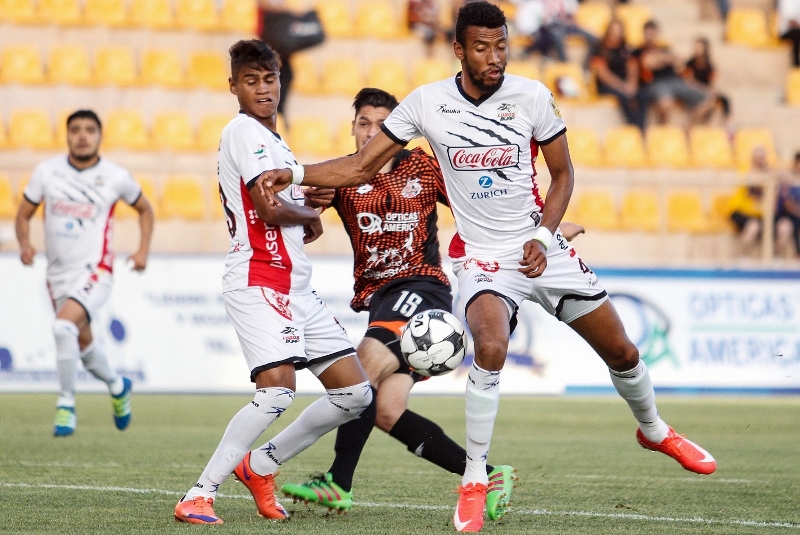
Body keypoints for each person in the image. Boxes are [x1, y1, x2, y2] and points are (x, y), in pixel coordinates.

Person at [256, 3, 718, 533]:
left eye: (501, 45)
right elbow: (359, 165)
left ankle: (654, 430)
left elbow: (564, 174)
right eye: (482, 47)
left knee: (623, 350)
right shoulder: (428, 104)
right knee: (492, 346)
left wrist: (546, 235)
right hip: (483, 260)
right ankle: (475, 477)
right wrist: (290, 170)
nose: (494, 57)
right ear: (458, 49)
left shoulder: (533, 97)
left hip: (540, 248)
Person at [276, 87, 586, 518]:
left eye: (379, 124)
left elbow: (483, 204)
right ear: (352, 128)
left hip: (422, 289)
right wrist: (311, 210)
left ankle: (337, 481)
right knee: (385, 411)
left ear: (395, 130)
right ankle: (488, 474)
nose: (370, 132)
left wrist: (544, 230)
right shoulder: (344, 179)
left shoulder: (423, 166)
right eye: (363, 123)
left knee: (358, 378)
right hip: (380, 298)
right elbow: (309, 228)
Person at [172, 39, 373, 526]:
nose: (263, 89)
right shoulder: (245, 132)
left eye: (269, 79)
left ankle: (260, 466)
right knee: (277, 392)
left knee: (355, 395)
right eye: (251, 80)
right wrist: (310, 211)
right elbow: (268, 207)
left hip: (295, 286)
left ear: (280, 81)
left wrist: (310, 201)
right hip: (259, 277)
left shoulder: (276, 142)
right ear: (234, 87)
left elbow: (285, 202)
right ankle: (199, 494)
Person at [14, 109, 154, 437]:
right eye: (75, 129)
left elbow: (145, 209)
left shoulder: (115, 176)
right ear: (66, 135)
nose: (82, 135)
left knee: (63, 326)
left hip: (96, 271)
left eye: (89, 129)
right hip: (57, 275)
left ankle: (65, 404)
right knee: (83, 343)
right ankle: (119, 386)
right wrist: (24, 245)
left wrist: (143, 249)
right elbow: (23, 215)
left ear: (99, 136)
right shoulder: (47, 173)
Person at [634, 20, 714, 126]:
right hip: (656, 83)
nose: (650, 36)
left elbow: (678, 61)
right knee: (665, 103)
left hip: (676, 81)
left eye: (652, 33)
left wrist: (660, 59)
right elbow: (648, 63)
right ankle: (665, 131)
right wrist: (665, 58)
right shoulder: (638, 51)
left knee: (708, 97)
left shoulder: (665, 47)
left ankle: (689, 129)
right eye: (648, 33)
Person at [589, 18, 647, 130]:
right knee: (625, 98)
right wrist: (622, 86)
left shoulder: (625, 49)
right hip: (606, 86)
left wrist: (632, 84)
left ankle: (641, 128)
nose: (617, 33)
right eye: (614, 30)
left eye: (619, 30)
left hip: (624, 84)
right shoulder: (600, 49)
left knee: (642, 96)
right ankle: (634, 128)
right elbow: (603, 74)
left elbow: (632, 67)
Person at [727, 146, 771, 257]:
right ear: (753, 159)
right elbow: (751, 191)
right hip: (739, 209)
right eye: (758, 158)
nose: (760, 161)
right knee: (753, 226)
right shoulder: (746, 171)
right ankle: (741, 255)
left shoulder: (767, 174)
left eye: (762, 158)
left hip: (755, 213)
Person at [682, 37, 731, 132]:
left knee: (723, 100)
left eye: (699, 47)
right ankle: (690, 126)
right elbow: (688, 82)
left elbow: (712, 84)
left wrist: (709, 91)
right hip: (693, 92)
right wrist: (705, 90)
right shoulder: (689, 64)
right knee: (708, 100)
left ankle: (727, 125)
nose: (697, 49)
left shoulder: (710, 66)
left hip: (705, 91)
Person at [775, 151, 800, 257]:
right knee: (784, 228)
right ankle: (778, 256)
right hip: (788, 216)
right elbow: (787, 204)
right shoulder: (788, 180)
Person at [779, 0, 800, 67]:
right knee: (797, 34)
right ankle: (796, 64)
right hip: (786, 32)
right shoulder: (787, 1)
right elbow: (792, 22)